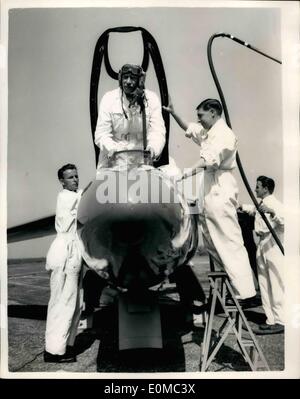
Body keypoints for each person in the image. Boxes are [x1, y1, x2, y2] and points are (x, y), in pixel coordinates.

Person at [163, 98, 256, 302]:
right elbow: (191, 128)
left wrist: (183, 176)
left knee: (228, 239)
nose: (199, 120)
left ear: (213, 112)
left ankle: (246, 292)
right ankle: (235, 287)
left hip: (220, 186)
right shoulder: (209, 132)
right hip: (209, 188)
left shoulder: (224, 134)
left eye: (201, 115)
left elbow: (208, 161)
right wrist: (173, 112)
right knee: (212, 238)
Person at [94, 63, 166, 173]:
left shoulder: (151, 99)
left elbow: (158, 130)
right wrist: (112, 149)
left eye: (132, 78)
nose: (128, 82)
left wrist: (154, 148)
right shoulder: (109, 99)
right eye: (125, 77)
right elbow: (101, 133)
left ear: (140, 80)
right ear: (120, 79)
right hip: (112, 162)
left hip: (140, 162)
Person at [44, 164, 83, 362]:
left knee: (74, 302)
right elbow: (83, 199)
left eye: (76, 176)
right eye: (70, 177)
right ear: (62, 181)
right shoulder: (66, 197)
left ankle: (65, 346)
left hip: (73, 252)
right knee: (62, 302)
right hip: (64, 253)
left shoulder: (75, 196)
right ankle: (53, 351)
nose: (75, 180)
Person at [241, 176, 284, 334]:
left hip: (273, 246)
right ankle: (270, 319)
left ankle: (280, 320)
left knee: (275, 284)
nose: (255, 189)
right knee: (264, 284)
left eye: (258, 186)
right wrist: (239, 206)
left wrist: (272, 213)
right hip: (262, 245)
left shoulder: (276, 204)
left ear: (266, 188)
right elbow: (253, 210)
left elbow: (285, 221)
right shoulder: (261, 204)